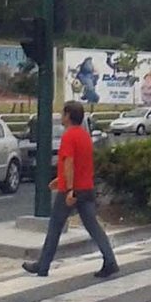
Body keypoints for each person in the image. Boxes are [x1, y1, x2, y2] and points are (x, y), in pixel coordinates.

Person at [23, 101, 120, 279]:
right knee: (93, 227)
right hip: (87, 188)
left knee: (54, 227)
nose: (61, 116)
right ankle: (110, 260)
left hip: (73, 190)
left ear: (68, 116)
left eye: (62, 113)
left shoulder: (69, 136)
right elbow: (81, 164)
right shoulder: (84, 136)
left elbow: (69, 164)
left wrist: (68, 189)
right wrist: (59, 180)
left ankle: (42, 266)